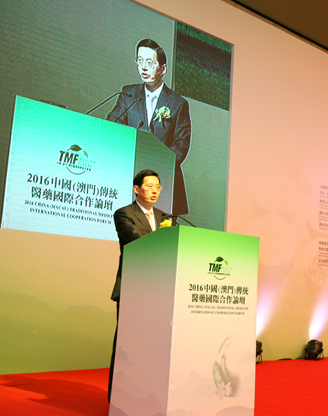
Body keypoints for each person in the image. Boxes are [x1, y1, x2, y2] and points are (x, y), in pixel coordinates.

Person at [107, 39, 191, 215]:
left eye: (150, 63)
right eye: (140, 61)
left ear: (163, 69)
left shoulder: (178, 104)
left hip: (163, 187)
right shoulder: (128, 94)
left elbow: (181, 146)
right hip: (129, 181)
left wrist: (155, 166)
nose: (143, 68)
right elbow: (114, 122)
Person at [108, 169, 169, 401]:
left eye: (158, 187)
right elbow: (137, 240)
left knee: (153, 346)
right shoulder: (124, 214)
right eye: (149, 186)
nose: (155, 190)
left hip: (159, 290)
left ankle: (148, 396)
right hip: (133, 288)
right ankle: (119, 397)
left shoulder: (165, 217)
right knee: (127, 345)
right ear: (137, 189)